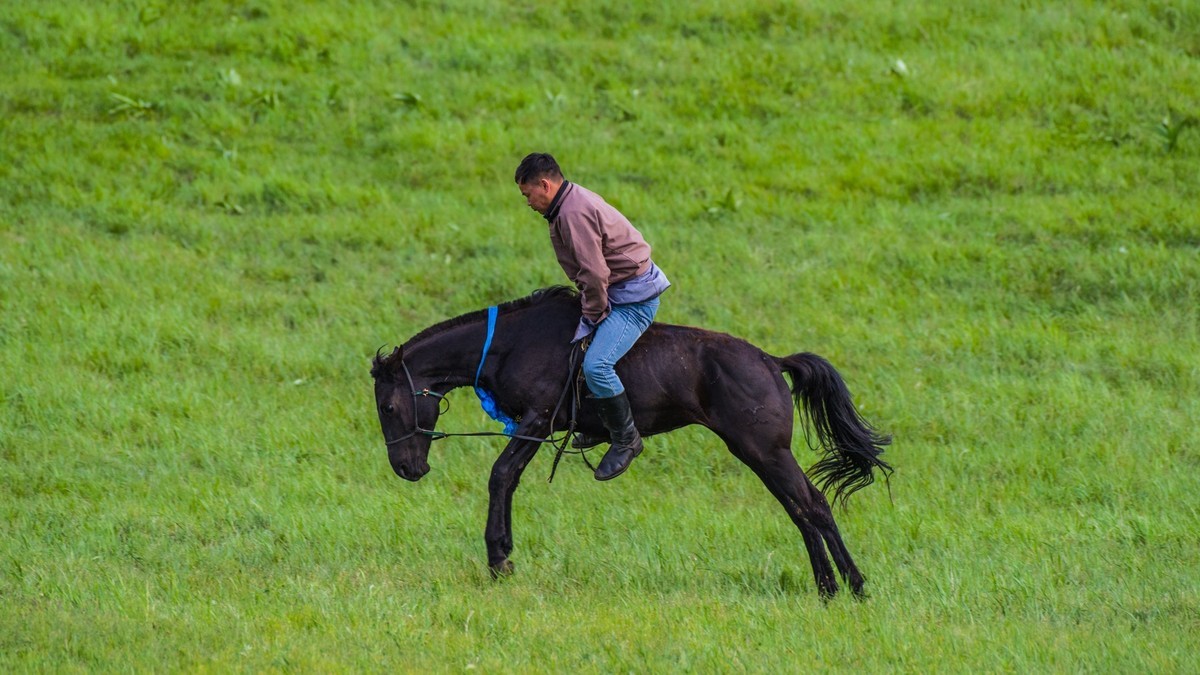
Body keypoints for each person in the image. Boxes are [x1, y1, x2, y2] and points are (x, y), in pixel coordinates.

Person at [514, 152, 671, 481]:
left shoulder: (573, 213)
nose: (527, 202)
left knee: (596, 365)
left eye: (528, 194)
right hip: (614, 290)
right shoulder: (566, 204)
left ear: (545, 185)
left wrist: (593, 316)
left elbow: (596, 274)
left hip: (632, 299)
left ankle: (626, 440)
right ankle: (600, 424)